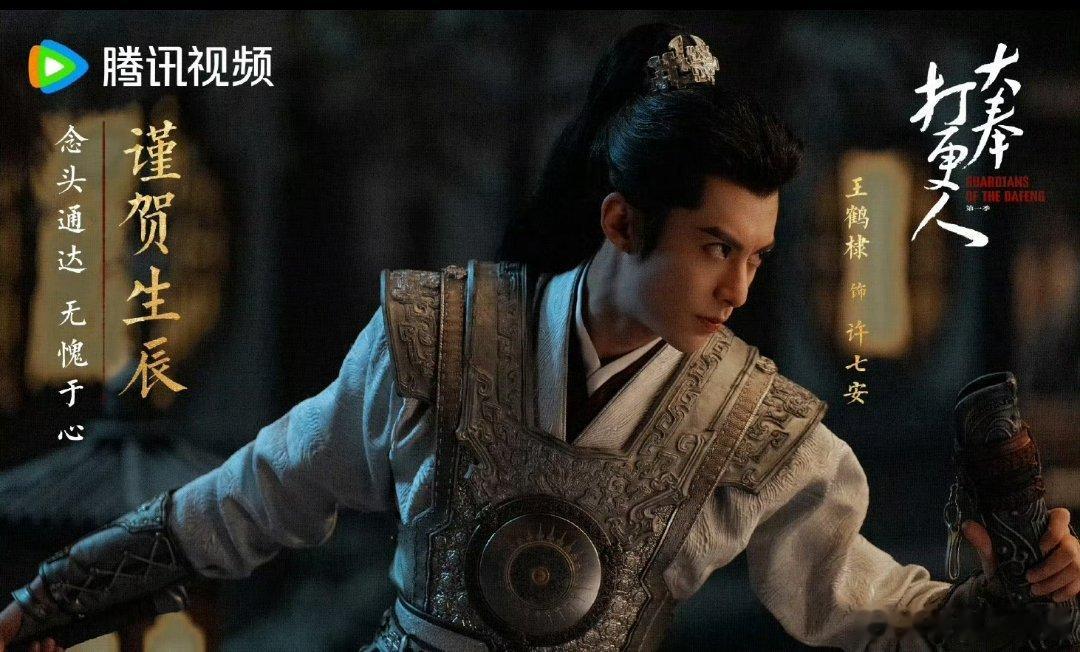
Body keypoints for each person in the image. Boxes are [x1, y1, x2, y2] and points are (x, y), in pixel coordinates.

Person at [3, 23, 1079, 652]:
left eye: (757, 255)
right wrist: (53, 598)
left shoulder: (760, 427)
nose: (738, 288)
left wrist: (1014, 604)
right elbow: (256, 495)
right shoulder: (438, 339)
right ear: (621, 222)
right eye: (715, 247)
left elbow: (866, 602)